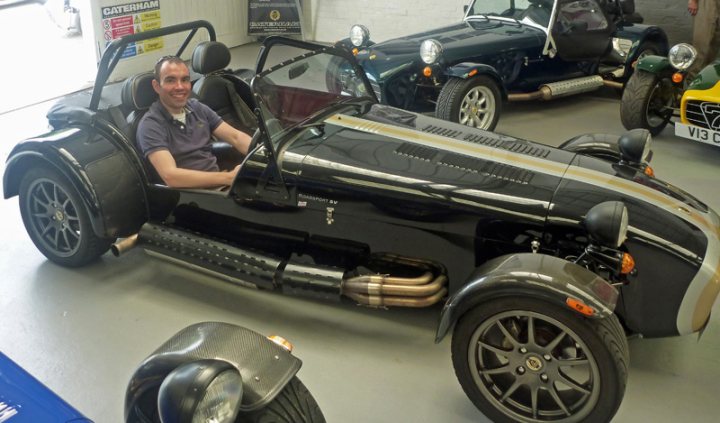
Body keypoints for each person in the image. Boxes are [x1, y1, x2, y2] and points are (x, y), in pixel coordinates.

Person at [137, 55, 252, 189]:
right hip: (191, 199)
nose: (180, 87)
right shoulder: (150, 125)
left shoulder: (197, 108)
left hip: (219, 187)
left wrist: (265, 155)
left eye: (185, 80)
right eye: (170, 80)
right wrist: (228, 178)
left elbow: (236, 137)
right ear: (157, 86)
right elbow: (171, 176)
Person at [687, 0, 720, 78]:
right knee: (701, 42)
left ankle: (710, 78)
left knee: (715, 45)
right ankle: (694, 80)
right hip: (708, 3)